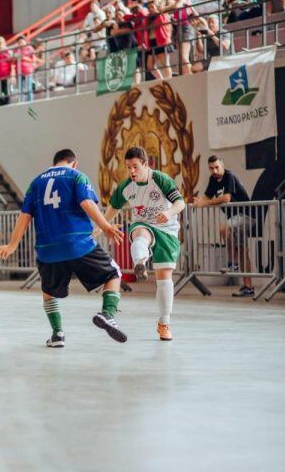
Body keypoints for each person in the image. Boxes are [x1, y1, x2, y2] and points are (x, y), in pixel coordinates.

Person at [0, 149, 126, 348]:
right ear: (74, 163)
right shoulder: (76, 176)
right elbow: (86, 202)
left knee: (49, 290)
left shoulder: (36, 182)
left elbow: (24, 216)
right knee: (113, 273)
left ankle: (57, 334)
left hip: (47, 250)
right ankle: (108, 314)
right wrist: (106, 227)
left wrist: (12, 245)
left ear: (54, 162)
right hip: (77, 244)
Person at [101, 146, 186, 342]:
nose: (131, 171)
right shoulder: (125, 187)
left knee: (164, 278)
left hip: (167, 229)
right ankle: (140, 263)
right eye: (128, 167)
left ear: (146, 165)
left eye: (135, 167)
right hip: (143, 223)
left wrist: (168, 212)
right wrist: (101, 226)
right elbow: (113, 209)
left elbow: (180, 203)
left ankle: (164, 323)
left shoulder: (161, 179)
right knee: (139, 234)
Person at [194, 156, 255, 297]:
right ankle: (248, 287)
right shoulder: (213, 180)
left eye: (217, 167)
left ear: (222, 165)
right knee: (242, 251)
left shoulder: (229, 176)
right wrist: (197, 203)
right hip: (234, 218)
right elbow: (207, 197)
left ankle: (232, 263)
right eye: (211, 168)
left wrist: (205, 203)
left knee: (224, 228)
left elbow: (226, 198)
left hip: (247, 215)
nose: (214, 170)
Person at [171, 0, 201, 75]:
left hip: (186, 28)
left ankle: (190, 75)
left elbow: (176, 6)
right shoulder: (182, 1)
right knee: (182, 56)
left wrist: (170, 7)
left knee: (184, 56)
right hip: (181, 28)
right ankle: (187, 74)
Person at [146, 0, 174, 79]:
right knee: (150, 66)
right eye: (149, 7)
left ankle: (169, 80)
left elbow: (160, 22)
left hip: (161, 40)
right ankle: (161, 80)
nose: (150, 9)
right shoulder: (148, 18)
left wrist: (160, 10)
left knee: (165, 63)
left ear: (157, 7)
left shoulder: (162, 14)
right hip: (152, 41)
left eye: (152, 7)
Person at [15, 36, 41, 103]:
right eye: (18, 42)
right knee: (20, 89)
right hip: (19, 72)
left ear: (25, 41)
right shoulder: (16, 50)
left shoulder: (29, 48)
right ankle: (21, 102)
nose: (20, 43)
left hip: (27, 71)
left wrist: (23, 58)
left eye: (21, 41)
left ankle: (30, 102)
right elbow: (14, 60)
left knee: (28, 88)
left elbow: (33, 59)